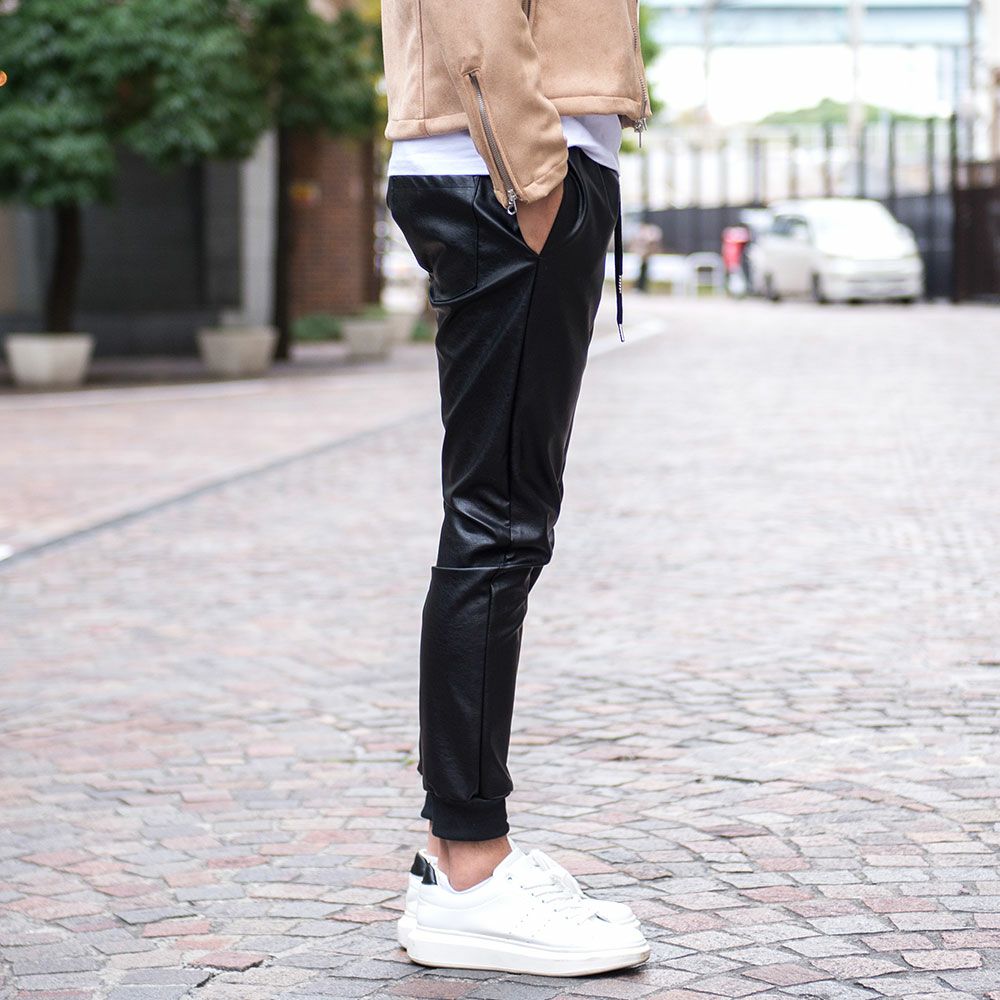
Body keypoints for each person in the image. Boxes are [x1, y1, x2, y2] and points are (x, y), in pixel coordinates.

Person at [380, 0, 653, 977]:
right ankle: (471, 871)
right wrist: (536, 180)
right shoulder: (522, 174)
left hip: (504, 164)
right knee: (497, 525)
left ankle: (459, 854)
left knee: (501, 520)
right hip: (503, 171)